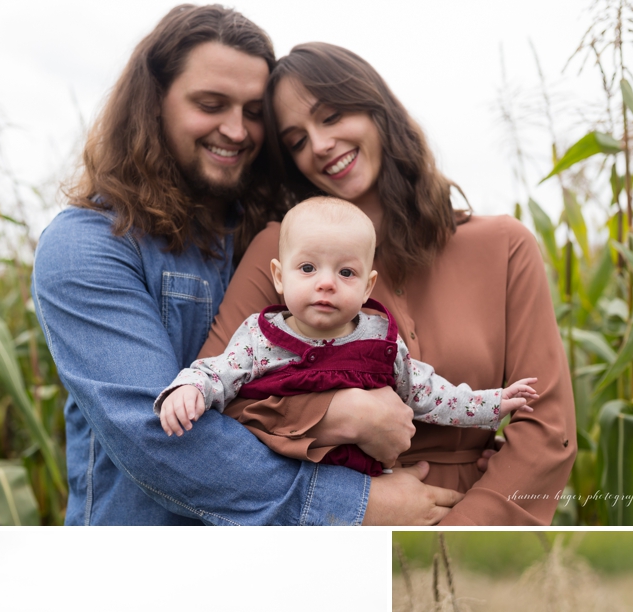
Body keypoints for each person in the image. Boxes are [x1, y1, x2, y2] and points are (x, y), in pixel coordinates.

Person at [195, 40, 574, 523]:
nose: (319, 144)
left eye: (331, 116)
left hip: (480, 528)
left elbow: (547, 427)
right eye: (296, 140)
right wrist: (336, 420)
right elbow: (214, 401)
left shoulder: (503, 245)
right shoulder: (279, 250)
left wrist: (462, 535)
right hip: (331, 527)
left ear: (378, 110)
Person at [156, 195, 539, 472]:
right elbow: (217, 372)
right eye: (307, 268)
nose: (326, 284)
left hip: (372, 485)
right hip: (291, 484)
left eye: (346, 273)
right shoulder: (261, 339)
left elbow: (429, 393)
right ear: (278, 276)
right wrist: (189, 389)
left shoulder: (381, 343)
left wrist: (494, 404)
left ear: (368, 286)